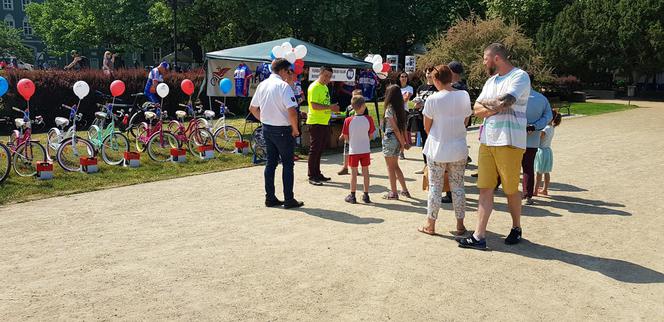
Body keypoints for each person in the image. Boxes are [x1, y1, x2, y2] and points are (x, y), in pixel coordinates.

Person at [457, 43, 531, 250]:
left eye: (484, 58)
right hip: (488, 140)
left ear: (496, 58)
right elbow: (476, 109)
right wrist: (494, 106)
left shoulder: (520, 76)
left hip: (509, 140)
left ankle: (516, 227)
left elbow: (506, 101)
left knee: (509, 189)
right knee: (485, 188)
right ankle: (479, 236)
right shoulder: (490, 81)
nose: (483, 62)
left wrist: (490, 106)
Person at [417, 65, 472, 236]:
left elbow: (427, 126)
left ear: (435, 79)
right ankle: (460, 225)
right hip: (458, 147)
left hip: (438, 148)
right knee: (458, 187)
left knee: (435, 187)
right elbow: (466, 120)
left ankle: (430, 224)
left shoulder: (433, 99)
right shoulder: (464, 95)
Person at [248, 58, 304, 209]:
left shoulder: (263, 85)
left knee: (270, 163)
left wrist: (264, 120)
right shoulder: (283, 86)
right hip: (283, 130)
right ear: (283, 71)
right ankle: (289, 199)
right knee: (287, 164)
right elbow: (292, 111)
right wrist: (295, 129)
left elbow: (252, 108)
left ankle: (270, 197)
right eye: (288, 71)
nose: (290, 74)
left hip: (267, 128)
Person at [522, 74, 553, 205]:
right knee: (528, 168)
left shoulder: (516, 98)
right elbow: (548, 117)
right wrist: (534, 126)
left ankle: (511, 192)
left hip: (514, 138)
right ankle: (527, 195)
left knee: (511, 167)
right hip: (533, 139)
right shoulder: (541, 99)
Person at [307, 66, 340, 186]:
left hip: (324, 122)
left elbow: (323, 104)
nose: (327, 79)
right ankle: (312, 175)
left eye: (330, 77)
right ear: (320, 73)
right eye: (325, 75)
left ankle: (317, 173)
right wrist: (330, 107)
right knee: (314, 149)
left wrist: (332, 108)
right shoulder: (315, 87)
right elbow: (314, 106)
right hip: (316, 122)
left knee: (320, 149)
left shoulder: (325, 87)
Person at [341, 95, 376, 204]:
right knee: (366, 172)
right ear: (363, 106)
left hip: (353, 150)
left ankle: (352, 195)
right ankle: (366, 195)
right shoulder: (369, 119)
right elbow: (371, 135)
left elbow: (345, 137)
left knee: (353, 173)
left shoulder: (348, 120)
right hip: (365, 149)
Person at [382, 85, 411, 200]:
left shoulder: (389, 109)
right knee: (396, 166)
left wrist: (402, 142)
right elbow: (403, 127)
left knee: (390, 167)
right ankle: (404, 190)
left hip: (390, 139)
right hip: (398, 140)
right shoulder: (401, 109)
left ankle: (393, 192)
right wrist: (404, 141)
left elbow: (394, 128)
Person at [535, 110, 562, 196]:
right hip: (547, 151)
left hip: (541, 151)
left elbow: (538, 139)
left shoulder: (545, 129)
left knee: (538, 172)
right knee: (546, 172)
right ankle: (544, 189)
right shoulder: (551, 128)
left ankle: (535, 190)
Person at [399, 72, 414, 159]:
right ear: (399, 78)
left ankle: (402, 151)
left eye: (405, 76)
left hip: (404, 111)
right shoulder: (396, 88)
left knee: (402, 131)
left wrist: (397, 99)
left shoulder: (409, 88)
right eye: (402, 76)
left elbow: (405, 99)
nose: (403, 78)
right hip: (394, 111)